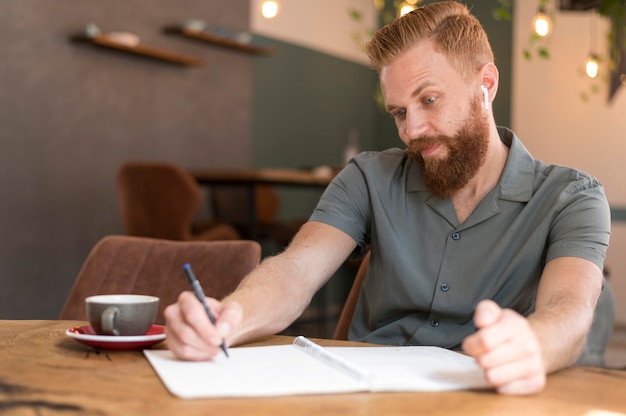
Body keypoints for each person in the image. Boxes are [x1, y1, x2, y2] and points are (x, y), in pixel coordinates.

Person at [164, 1, 611, 396]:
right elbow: (296, 269)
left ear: (486, 84)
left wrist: (534, 344)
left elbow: (568, 311)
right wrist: (228, 318)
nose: (411, 129)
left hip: (479, 399)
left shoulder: (572, 197)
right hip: (361, 397)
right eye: (399, 111)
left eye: (429, 100)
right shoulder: (369, 176)